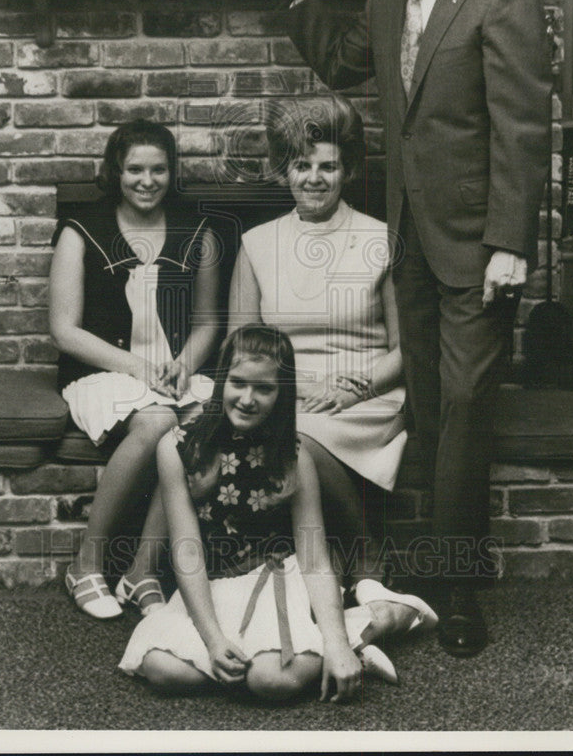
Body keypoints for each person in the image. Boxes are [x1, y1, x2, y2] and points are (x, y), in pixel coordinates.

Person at [246, 0, 552, 657]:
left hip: (482, 248)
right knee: (425, 401)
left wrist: (511, 244)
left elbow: (521, 131)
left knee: (463, 404)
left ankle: (457, 584)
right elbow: (347, 63)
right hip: (410, 242)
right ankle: (400, 563)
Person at [120, 325, 427, 700]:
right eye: (238, 383)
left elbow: (313, 556)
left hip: (280, 575)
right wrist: (213, 639)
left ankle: (368, 625)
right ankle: (323, 641)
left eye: (264, 389)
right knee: (164, 670)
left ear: (281, 393)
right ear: (221, 381)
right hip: (211, 585)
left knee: (271, 681)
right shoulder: (178, 448)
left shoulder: (293, 454)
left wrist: (336, 644)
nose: (248, 398)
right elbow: (187, 552)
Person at [228, 93, 436, 627]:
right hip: (288, 393)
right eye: (302, 166)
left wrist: (356, 387)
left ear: (347, 171)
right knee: (292, 431)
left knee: (298, 437)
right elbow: (243, 347)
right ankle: (358, 563)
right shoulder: (256, 244)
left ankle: (352, 564)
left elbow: (408, 347)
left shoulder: (380, 238)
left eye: (328, 166)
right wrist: (287, 390)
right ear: (285, 172)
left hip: (367, 395)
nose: (314, 178)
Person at [50, 119, 220, 619]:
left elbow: (209, 321)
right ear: (115, 172)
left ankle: (142, 569)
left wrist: (182, 366)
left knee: (202, 421)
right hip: (104, 373)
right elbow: (64, 330)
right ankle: (86, 563)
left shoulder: (198, 233)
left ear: (172, 173)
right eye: (135, 170)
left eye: (159, 170)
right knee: (157, 420)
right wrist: (140, 368)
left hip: (174, 375)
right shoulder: (81, 231)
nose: (147, 181)